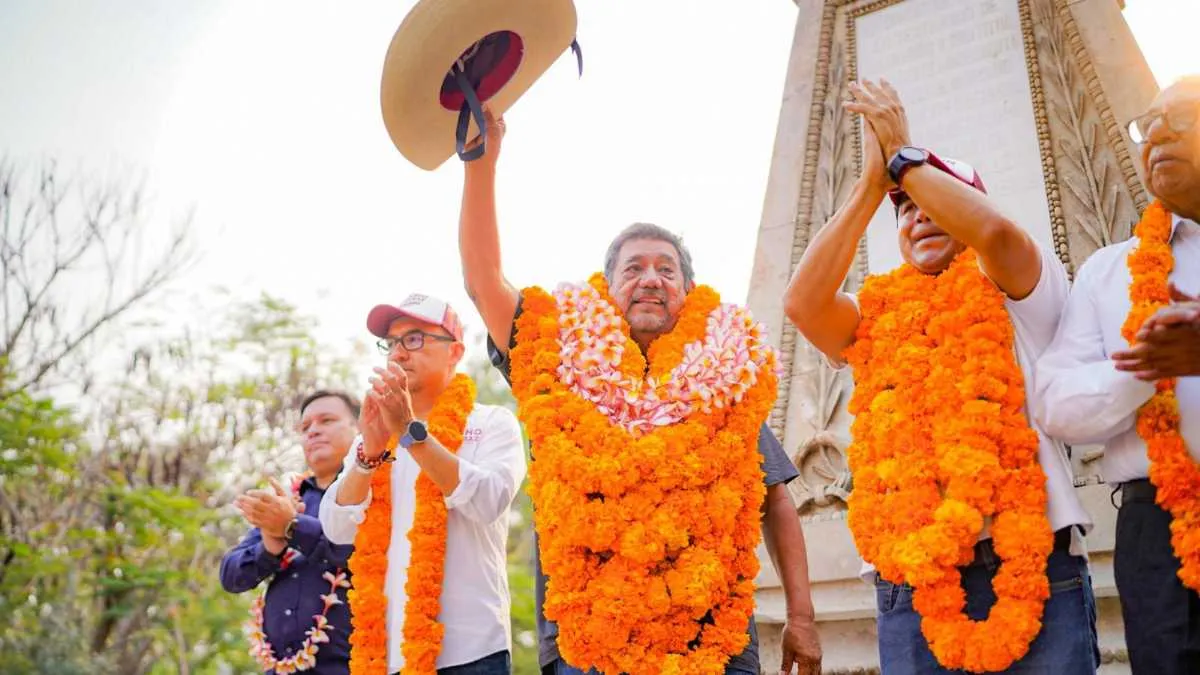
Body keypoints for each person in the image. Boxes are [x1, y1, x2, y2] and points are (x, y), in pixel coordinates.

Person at [457, 110, 822, 675]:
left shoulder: (724, 382)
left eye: (666, 270)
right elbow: (484, 283)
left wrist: (802, 617)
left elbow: (775, 500)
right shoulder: (561, 357)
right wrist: (480, 165)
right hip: (591, 639)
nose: (651, 279)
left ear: (688, 291)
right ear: (606, 289)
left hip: (714, 639)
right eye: (634, 269)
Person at [784, 79, 1097, 674]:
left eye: (938, 199)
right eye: (905, 208)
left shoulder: (1019, 285)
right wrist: (871, 185)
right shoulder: (874, 314)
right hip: (911, 582)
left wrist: (905, 158)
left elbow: (996, 234)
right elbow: (802, 304)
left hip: (1029, 564)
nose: (921, 213)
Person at [1036, 74, 1200, 675]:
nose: (1157, 134)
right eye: (1147, 124)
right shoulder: (1108, 272)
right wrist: (1141, 372)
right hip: (1156, 531)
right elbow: (1055, 404)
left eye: (1181, 118)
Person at [320, 294, 527, 675]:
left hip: (472, 652)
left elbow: (488, 501)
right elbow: (336, 527)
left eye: (414, 339)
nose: (399, 353)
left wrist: (410, 434)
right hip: (384, 656)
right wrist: (368, 455)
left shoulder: (492, 422)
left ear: (455, 351)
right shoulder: (372, 438)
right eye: (391, 343)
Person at [220, 390, 360, 674]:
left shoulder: (375, 491)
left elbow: (360, 552)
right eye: (305, 427)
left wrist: (292, 527)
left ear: (359, 429)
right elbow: (231, 576)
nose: (313, 431)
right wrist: (270, 545)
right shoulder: (289, 500)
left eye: (327, 420)